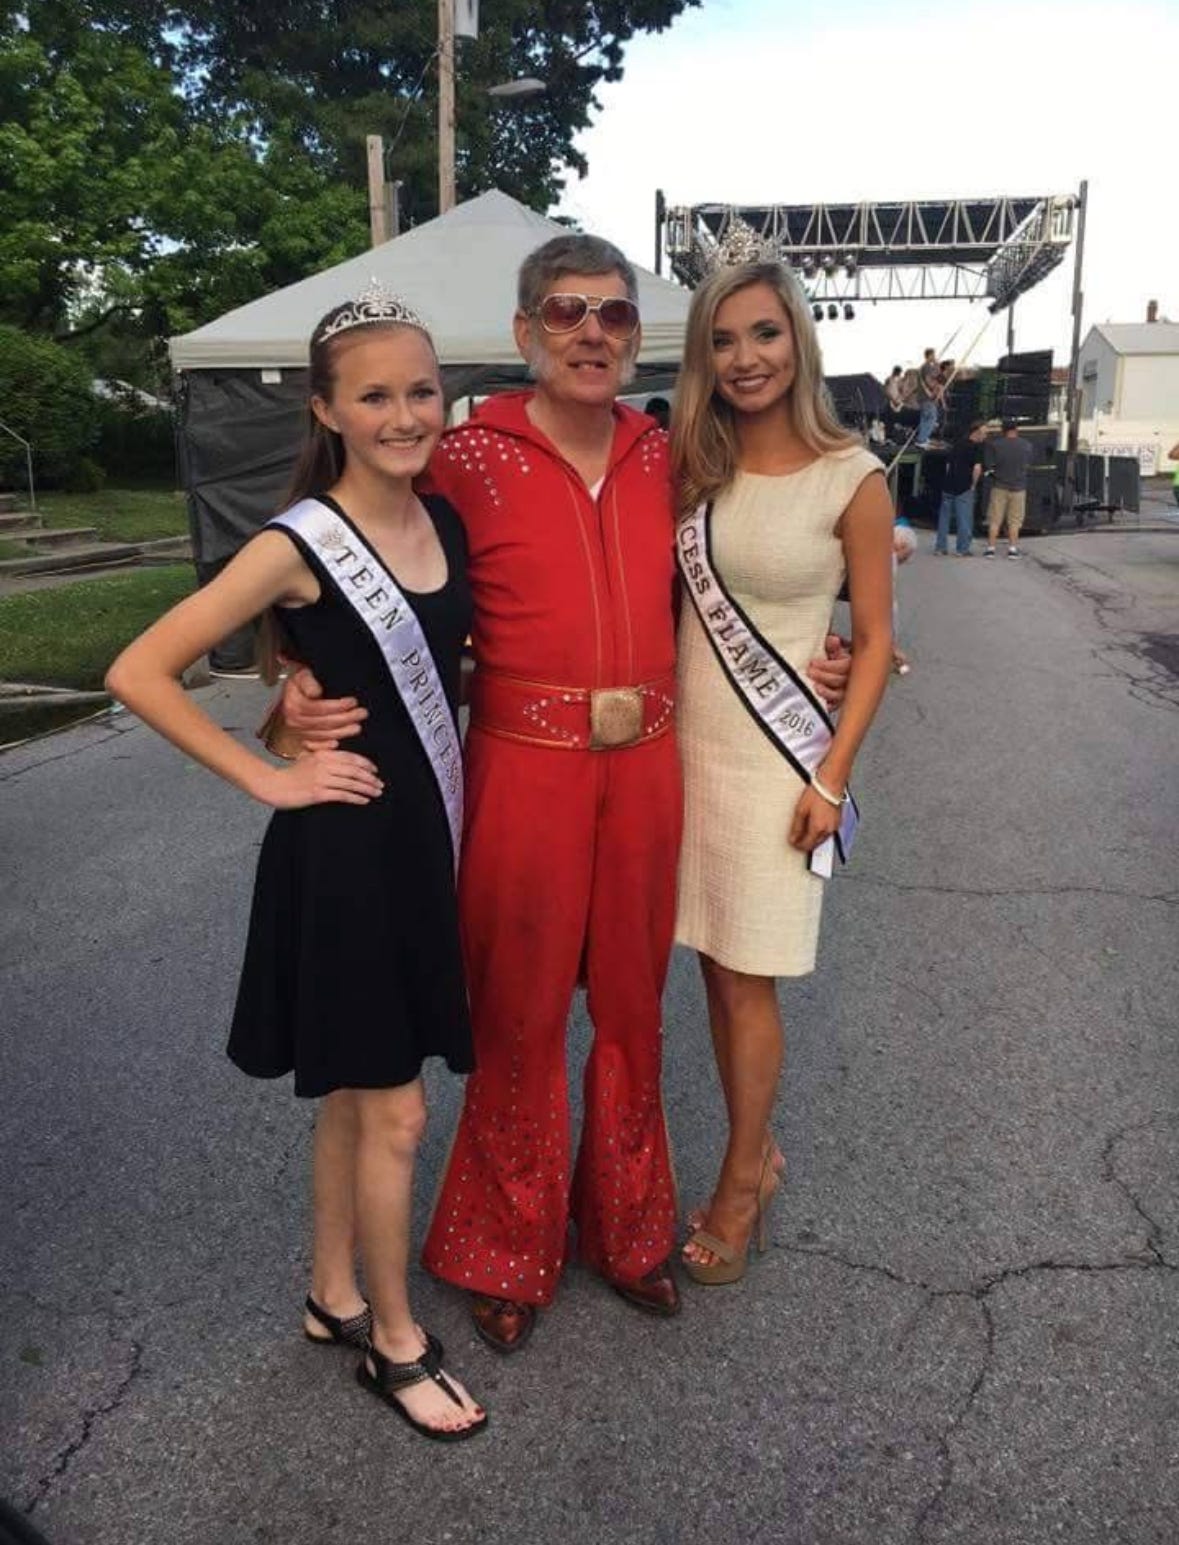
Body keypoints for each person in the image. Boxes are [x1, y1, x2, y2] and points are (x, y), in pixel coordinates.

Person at [277, 235, 855, 1350]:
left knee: (633, 1007)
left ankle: (629, 1232)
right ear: (526, 329)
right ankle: (505, 1243)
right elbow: (344, 541)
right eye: (565, 312)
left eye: (614, 314)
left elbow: (770, 542)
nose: (591, 333)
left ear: (637, 336)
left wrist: (830, 640)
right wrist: (296, 673)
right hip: (521, 768)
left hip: (649, 771)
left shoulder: (673, 451)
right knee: (520, 1011)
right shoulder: (464, 452)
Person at [105, 295, 488, 1441]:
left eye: (420, 391)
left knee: (357, 1095)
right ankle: (395, 1342)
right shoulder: (295, 544)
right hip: (343, 854)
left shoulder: (444, 518)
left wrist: (291, 708)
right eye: (374, 396)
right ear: (325, 410)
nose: (404, 415)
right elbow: (140, 671)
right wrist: (270, 774)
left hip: (421, 842)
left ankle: (332, 1293)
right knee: (397, 1113)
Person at [670, 261, 893, 1285]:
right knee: (714, 969)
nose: (745, 358)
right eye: (722, 340)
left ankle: (740, 1181)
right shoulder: (694, 466)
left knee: (748, 976)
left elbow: (874, 640)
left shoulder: (852, 475)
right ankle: (756, 1149)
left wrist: (832, 778)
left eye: (763, 334)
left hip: (776, 763)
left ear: (798, 340)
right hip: (687, 754)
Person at [984, 420, 1035, 557]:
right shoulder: (1027, 445)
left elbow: (990, 467)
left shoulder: (995, 445)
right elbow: (1028, 464)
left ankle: (991, 549)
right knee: (1015, 521)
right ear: (1016, 430)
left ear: (1003, 430)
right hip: (1019, 488)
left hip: (999, 487)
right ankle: (1012, 549)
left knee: (995, 519)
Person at [935, 419, 986, 555]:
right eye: (984, 433)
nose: (985, 436)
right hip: (964, 487)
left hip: (948, 484)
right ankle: (962, 549)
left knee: (944, 518)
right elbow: (977, 468)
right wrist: (973, 485)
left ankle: (940, 547)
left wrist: (948, 478)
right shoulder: (977, 448)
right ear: (976, 432)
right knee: (964, 519)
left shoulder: (957, 444)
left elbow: (948, 465)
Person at [915, 348, 942, 447]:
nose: (935, 357)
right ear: (929, 355)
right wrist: (935, 387)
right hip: (927, 397)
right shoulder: (926, 367)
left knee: (925, 418)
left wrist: (937, 365)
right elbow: (928, 381)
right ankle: (922, 440)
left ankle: (923, 438)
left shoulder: (925, 367)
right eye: (933, 355)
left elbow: (936, 374)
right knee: (931, 417)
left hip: (924, 397)